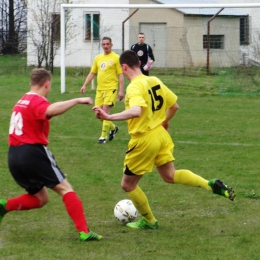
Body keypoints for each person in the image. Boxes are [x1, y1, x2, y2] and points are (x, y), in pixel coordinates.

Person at [93, 50, 235, 230]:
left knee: (127, 185)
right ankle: (209, 184)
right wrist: (164, 121)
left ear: (124, 67)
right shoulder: (155, 81)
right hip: (160, 135)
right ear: (139, 62)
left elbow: (137, 111)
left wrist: (108, 116)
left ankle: (150, 221)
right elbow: (174, 106)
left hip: (144, 139)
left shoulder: (134, 87)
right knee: (170, 175)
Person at [0, 68, 102, 241]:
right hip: (32, 153)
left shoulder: (21, 100)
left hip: (13, 156)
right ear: (46, 84)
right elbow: (50, 110)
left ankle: (5, 206)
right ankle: (84, 232)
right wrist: (77, 100)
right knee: (66, 189)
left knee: (41, 198)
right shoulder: (36, 101)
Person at [80, 36, 124, 144]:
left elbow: (121, 75)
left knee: (105, 110)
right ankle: (113, 128)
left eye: (107, 44)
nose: (105, 46)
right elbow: (92, 73)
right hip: (100, 90)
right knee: (98, 114)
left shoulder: (116, 58)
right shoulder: (98, 58)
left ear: (111, 45)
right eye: (103, 44)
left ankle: (103, 137)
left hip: (111, 88)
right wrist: (85, 85)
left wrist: (121, 90)